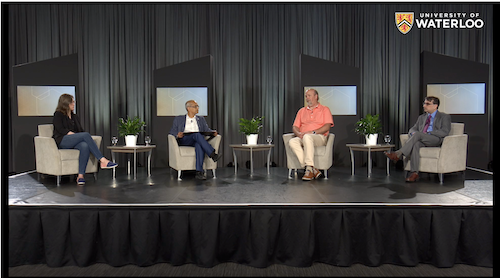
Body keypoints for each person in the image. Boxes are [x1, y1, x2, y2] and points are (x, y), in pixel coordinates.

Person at [52, 94, 118, 186]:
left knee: (85, 146)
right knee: (86, 135)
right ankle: (102, 160)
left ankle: (80, 176)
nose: (74, 104)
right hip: (62, 140)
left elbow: (80, 131)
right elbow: (60, 129)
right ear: (66, 103)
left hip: (74, 140)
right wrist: (76, 135)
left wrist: (79, 136)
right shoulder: (58, 114)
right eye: (72, 102)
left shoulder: (74, 117)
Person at [385, 96, 451, 182]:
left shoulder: (444, 116)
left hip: (435, 139)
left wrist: (428, 133)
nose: (424, 106)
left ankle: (398, 154)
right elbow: (413, 129)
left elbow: (445, 131)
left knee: (418, 135)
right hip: (422, 139)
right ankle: (414, 173)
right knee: (416, 143)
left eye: (427, 104)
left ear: (435, 106)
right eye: (424, 103)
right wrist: (413, 133)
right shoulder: (422, 117)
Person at [169, 100, 221, 180]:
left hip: (197, 140)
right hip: (185, 139)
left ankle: (199, 172)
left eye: (197, 106)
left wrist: (212, 132)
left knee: (198, 144)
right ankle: (212, 154)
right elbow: (172, 131)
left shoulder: (201, 119)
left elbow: (206, 129)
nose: (197, 108)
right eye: (195, 106)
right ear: (188, 108)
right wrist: (177, 134)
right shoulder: (179, 119)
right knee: (196, 134)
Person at [289, 89, 334, 181]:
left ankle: (309, 169)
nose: (307, 98)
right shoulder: (301, 111)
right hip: (303, 136)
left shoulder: (325, 109)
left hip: (319, 137)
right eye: (306, 96)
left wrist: (313, 132)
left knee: (308, 137)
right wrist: (298, 133)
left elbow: (327, 126)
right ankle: (310, 168)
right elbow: (295, 127)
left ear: (316, 96)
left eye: (309, 96)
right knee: (292, 141)